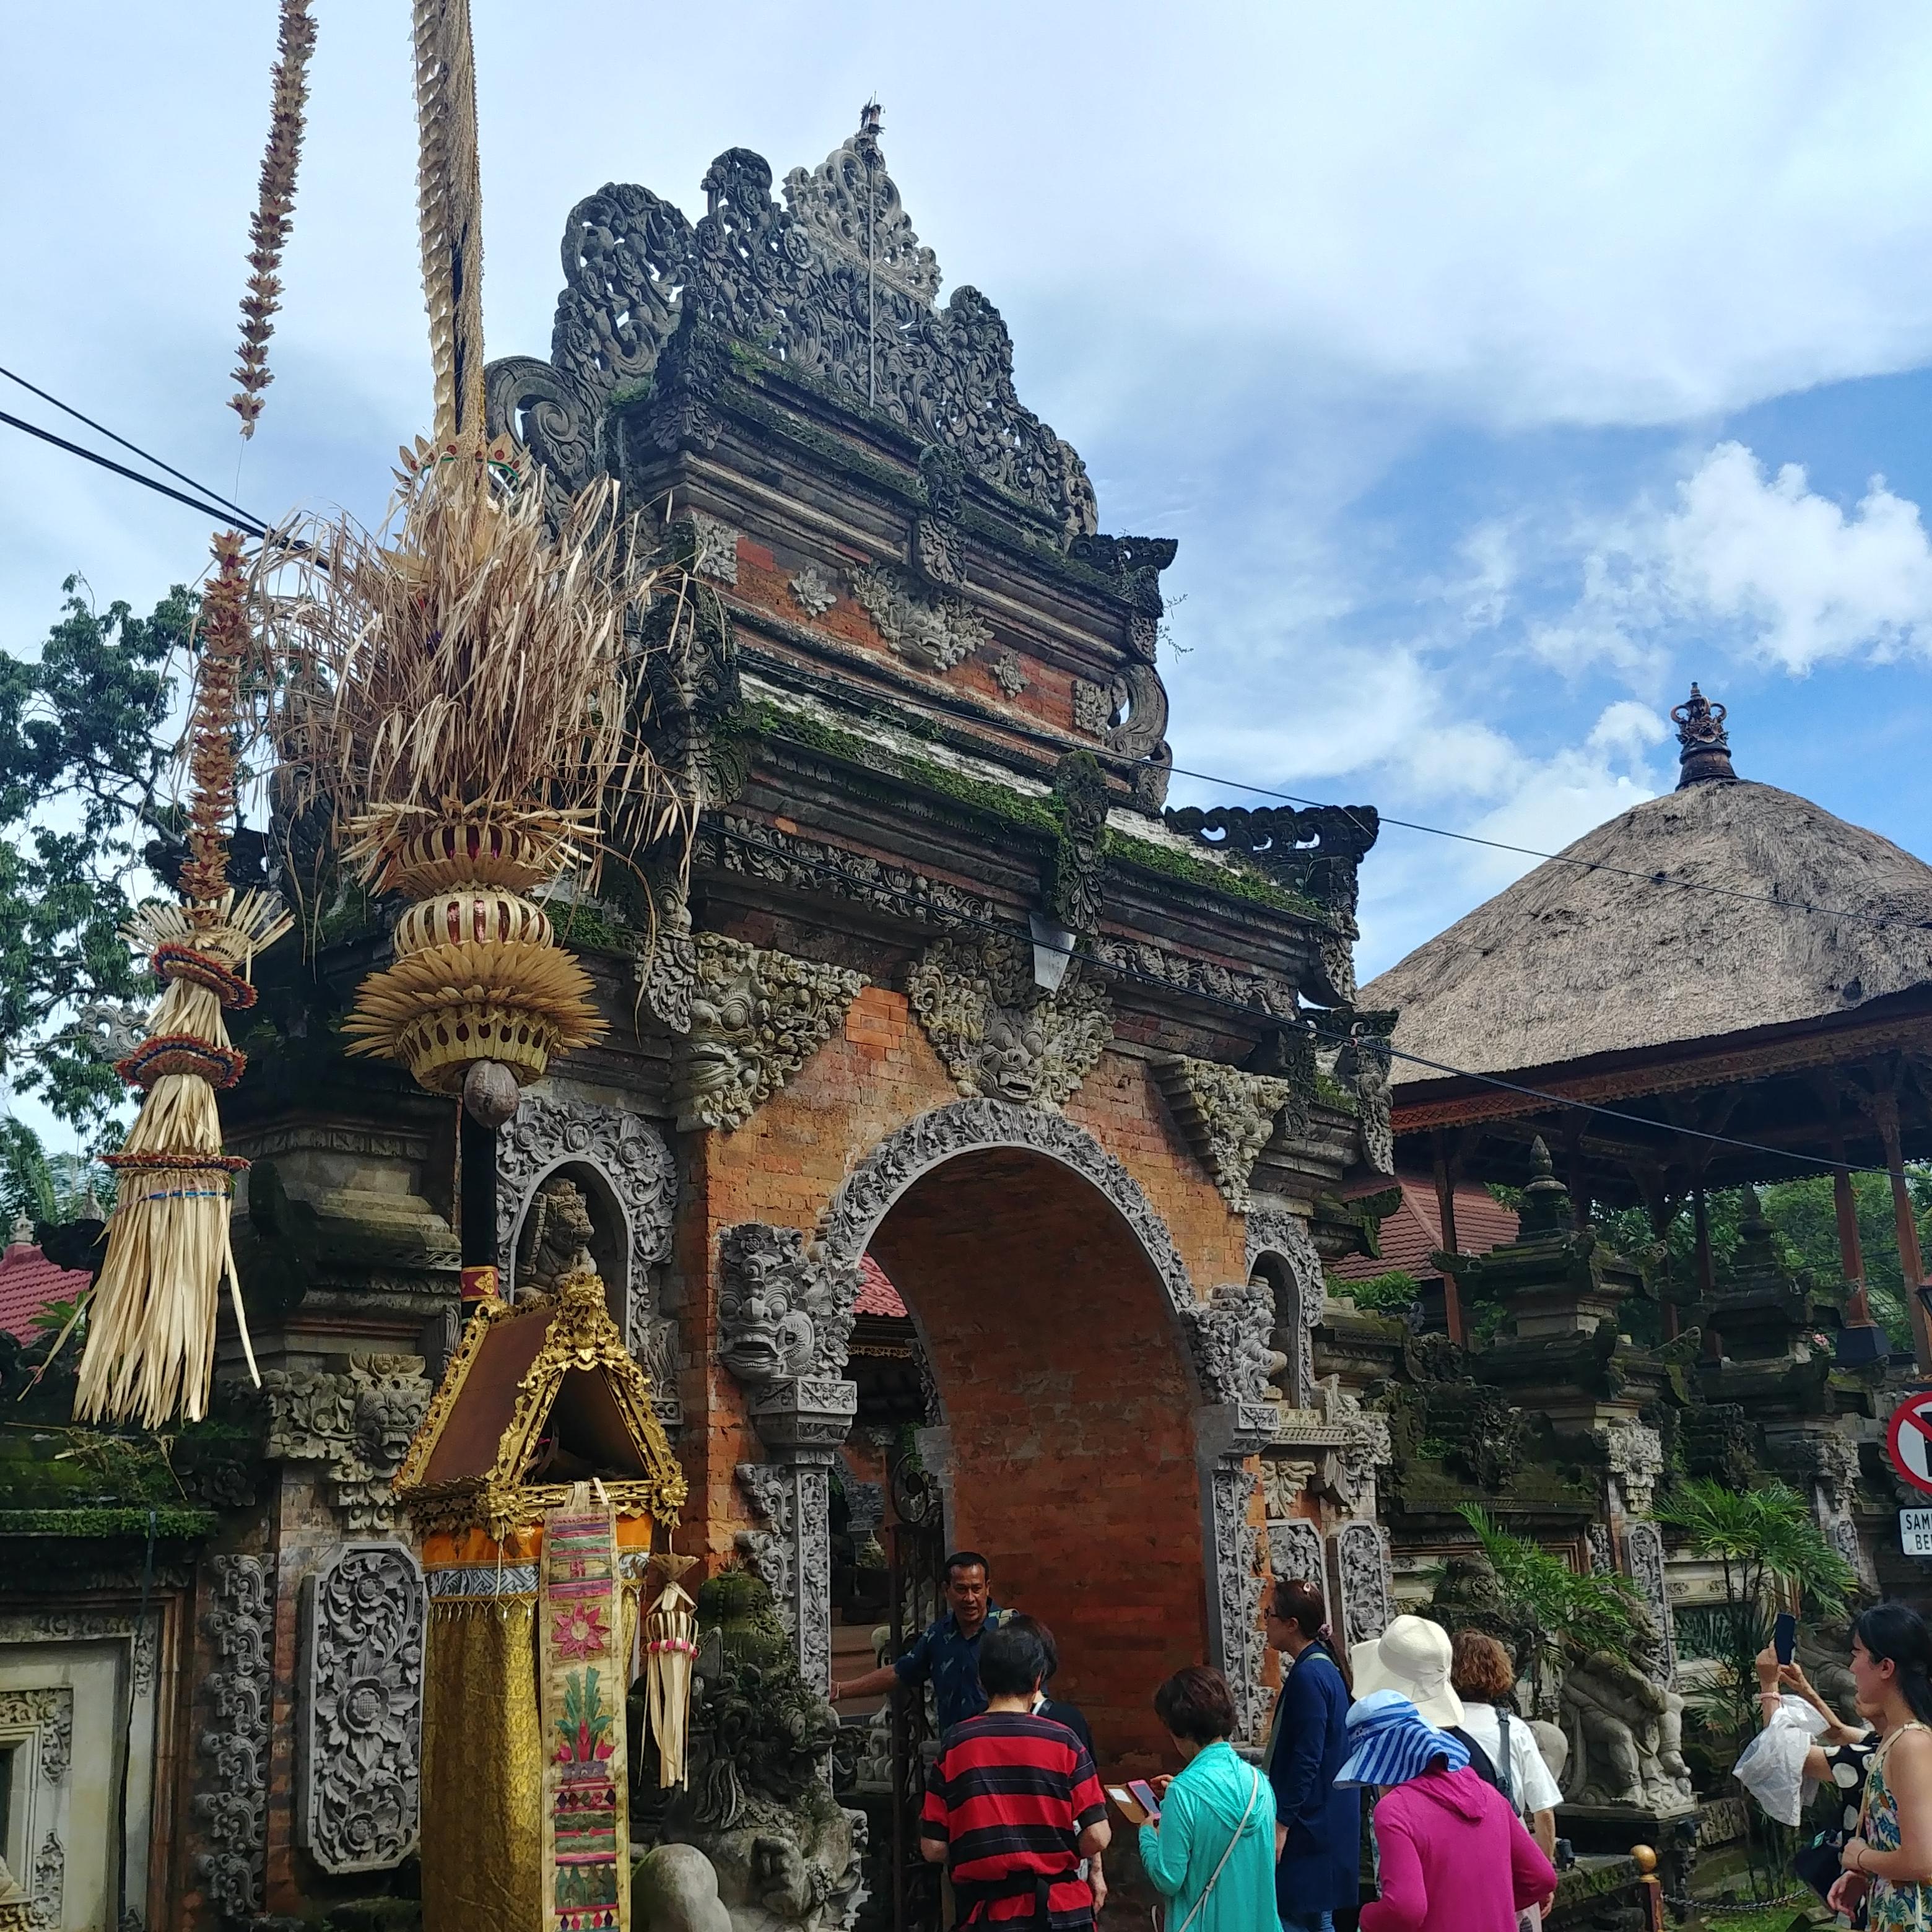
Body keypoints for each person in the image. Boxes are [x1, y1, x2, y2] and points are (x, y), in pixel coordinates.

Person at [920, 1621, 1110, 1930]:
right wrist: (1056, 1853)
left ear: (981, 1681)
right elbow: (1099, 1834)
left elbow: (933, 1847)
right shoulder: (1065, 1742)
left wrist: (981, 1852)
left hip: (990, 1915)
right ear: (1037, 1681)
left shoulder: (957, 1745)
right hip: (1062, 1912)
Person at [1340, 1690, 1556, 1932]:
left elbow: (1405, 1909)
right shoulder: (1490, 1795)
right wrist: (1489, 1909)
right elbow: (1541, 1877)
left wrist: (1367, 1918)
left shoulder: (1396, 1811)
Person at [1137, 1665, 1279, 1932]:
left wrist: (1147, 1834)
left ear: (1180, 1729)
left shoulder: (1184, 1792)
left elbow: (1168, 1878)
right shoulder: (1260, 1783)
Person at [1450, 1633, 1563, 1932]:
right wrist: (1544, 1873)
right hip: (1510, 1853)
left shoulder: (1437, 1730)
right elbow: (1544, 1812)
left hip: (1456, 1860)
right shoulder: (1513, 1730)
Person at [1264, 1578, 1359, 1932]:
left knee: (1303, 1919)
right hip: (1324, 1822)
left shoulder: (1310, 1674)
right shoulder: (1322, 1669)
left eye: (1270, 1615)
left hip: (1311, 1827)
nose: (1266, 1623)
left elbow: (1308, 1756)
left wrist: (1282, 1822)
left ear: (1291, 1625)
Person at [1830, 1603, 1932, 1927]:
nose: (1851, 1666)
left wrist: (1858, 1856)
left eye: (1857, 1654)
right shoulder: (1896, 1739)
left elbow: (1923, 1861)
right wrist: (1868, 1873)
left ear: (1885, 1667)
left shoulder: (1912, 1744)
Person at [833, 1551, 1007, 1731]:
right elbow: (899, 1673)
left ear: (987, 1588)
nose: (970, 1598)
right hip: (956, 1749)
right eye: (961, 1589)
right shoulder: (938, 1635)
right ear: (946, 1590)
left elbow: (1036, 1692)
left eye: (976, 1589)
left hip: (1002, 1746)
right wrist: (841, 1689)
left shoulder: (1010, 1631)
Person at [1004, 1614, 1105, 1915]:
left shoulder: (1067, 1721)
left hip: (1054, 1868)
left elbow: (1089, 1803)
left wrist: (1097, 1870)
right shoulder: (1065, 1722)